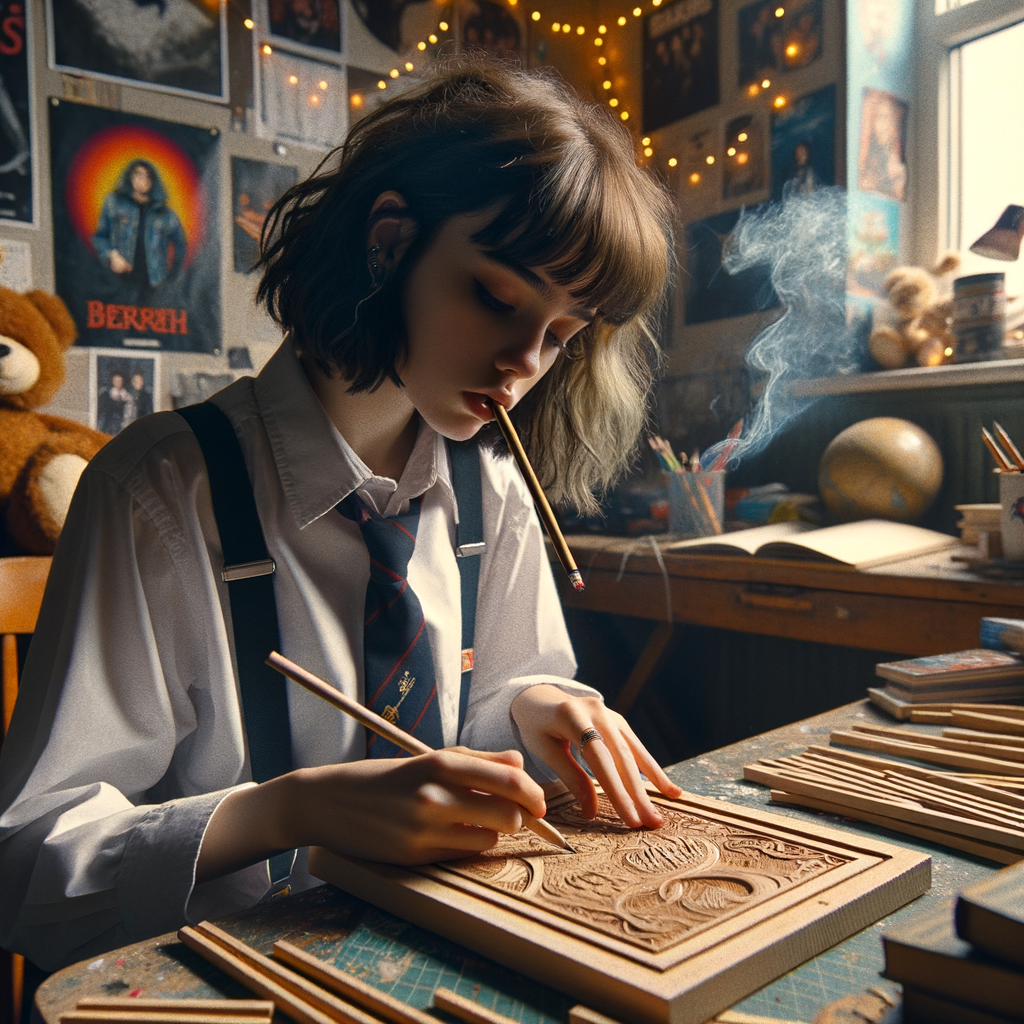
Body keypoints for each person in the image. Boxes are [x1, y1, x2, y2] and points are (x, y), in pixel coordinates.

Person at [0, 60, 678, 974]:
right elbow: (28, 860)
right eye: (496, 295)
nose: (524, 359)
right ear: (389, 241)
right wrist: (288, 812)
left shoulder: (497, 492)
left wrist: (533, 703)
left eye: (563, 333)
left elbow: (490, 715)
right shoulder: (160, 491)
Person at [91, 159, 187, 306]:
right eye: (139, 174)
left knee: (151, 327)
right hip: (120, 281)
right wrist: (113, 255)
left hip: (154, 285)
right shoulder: (114, 202)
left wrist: (171, 278)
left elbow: (181, 246)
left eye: (148, 176)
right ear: (130, 176)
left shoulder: (165, 213)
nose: (143, 180)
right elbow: (99, 238)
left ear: (153, 180)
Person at [96, 369, 131, 434]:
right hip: (108, 426)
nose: (118, 383)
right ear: (112, 381)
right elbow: (101, 412)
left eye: (120, 381)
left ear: (122, 381)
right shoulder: (106, 394)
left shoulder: (127, 395)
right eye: (116, 380)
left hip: (122, 426)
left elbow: (129, 413)